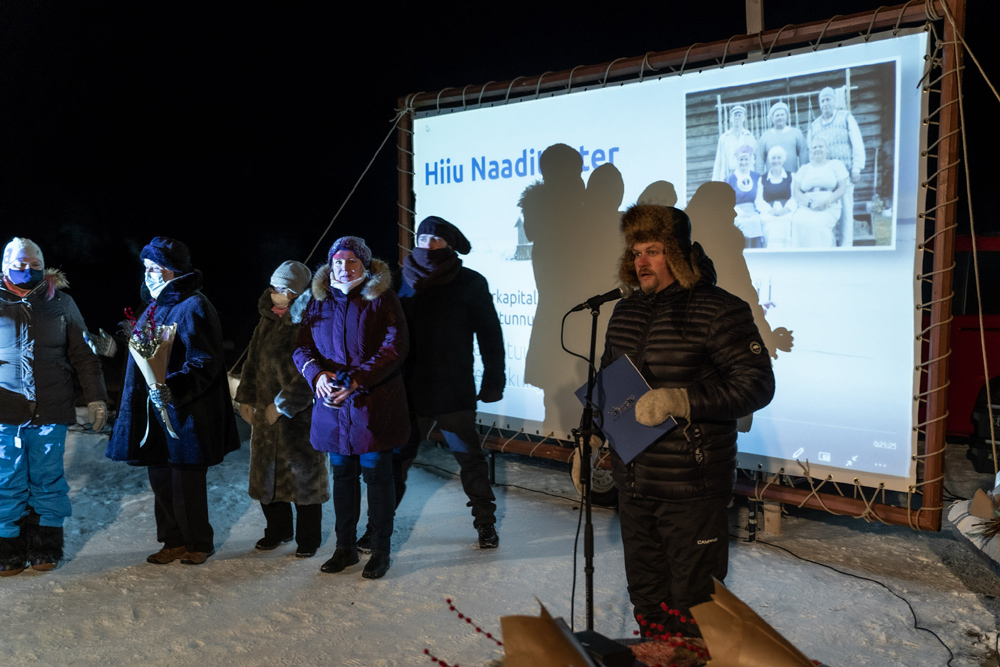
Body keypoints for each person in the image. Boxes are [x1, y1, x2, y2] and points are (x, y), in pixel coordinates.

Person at [601, 205, 775, 636]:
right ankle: (655, 656)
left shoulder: (720, 310)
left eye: (653, 251)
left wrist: (680, 400)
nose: (641, 262)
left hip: (692, 486)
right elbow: (609, 384)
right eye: (636, 252)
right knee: (647, 597)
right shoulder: (625, 311)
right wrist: (593, 435)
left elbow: (756, 386)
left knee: (697, 605)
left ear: (676, 254)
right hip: (633, 482)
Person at [107, 237, 240, 566]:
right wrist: (112, 348)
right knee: (161, 479)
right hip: (154, 412)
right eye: (146, 268)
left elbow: (205, 360)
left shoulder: (194, 305)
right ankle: (173, 540)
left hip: (186, 413)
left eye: (156, 268)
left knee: (185, 483)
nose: (148, 274)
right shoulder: (153, 305)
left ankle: (198, 542)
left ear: (174, 271)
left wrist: (175, 388)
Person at [293, 236, 408, 579]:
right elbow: (301, 347)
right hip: (333, 405)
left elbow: (394, 347)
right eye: (338, 261)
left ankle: (380, 551)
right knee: (343, 476)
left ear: (365, 265)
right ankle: (345, 548)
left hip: (372, 406)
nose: (344, 267)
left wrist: (357, 380)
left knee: (377, 477)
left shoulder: (381, 298)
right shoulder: (319, 301)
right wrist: (316, 375)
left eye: (351, 261)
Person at [389, 216, 504, 550]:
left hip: (452, 387)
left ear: (449, 245)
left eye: (435, 240)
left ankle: (486, 524)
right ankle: (379, 526)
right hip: (408, 388)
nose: (427, 245)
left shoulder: (470, 282)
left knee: (470, 459)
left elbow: (490, 335)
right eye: (422, 239)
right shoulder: (398, 279)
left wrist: (493, 381)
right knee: (397, 460)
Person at [0, 238, 108, 575]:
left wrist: (96, 397)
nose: (27, 269)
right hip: (4, 411)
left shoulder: (60, 302)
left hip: (51, 406)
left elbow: (85, 354)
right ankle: (8, 547)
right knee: (6, 478)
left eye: (34, 264)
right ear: (4, 265)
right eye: (19, 264)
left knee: (47, 478)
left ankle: (44, 546)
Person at [235, 261, 329, 558]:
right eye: (275, 286)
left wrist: (283, 404)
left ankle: (308, 538)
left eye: (284, 288)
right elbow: (252, 363)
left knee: (303, 481)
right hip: (264, 417)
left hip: (299, 420)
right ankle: (277, 530)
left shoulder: (311, 322)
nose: (277, 292)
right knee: (267, 478)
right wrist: (245, 398)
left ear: (298, 292)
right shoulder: (266, 321)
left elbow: (311, 373)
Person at [807, 86, 865, 247]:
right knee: (827, 213)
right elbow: (810, 151)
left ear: (834, 101)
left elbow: (857, 143)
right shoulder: (814, 126)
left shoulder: (846, 118)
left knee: (846, 212)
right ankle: (829, 246)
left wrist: (857, 168)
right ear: (819, 104)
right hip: (825, 178)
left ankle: (846, 246)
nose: (825, 103)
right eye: (822, 101)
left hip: (844, 176)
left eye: (828, 99)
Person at [790, 137, 849, 248]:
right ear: (810, 151)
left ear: (827, 149)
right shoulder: (804, 169)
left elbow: (842, 188)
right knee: (798, 221)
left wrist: (826, 203)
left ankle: (822, 256)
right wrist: (810, 203)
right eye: (814, 147)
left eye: (820, 146)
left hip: (829, 207)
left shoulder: (836, 165)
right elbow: (796, 192)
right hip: (806, 207)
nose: (817, 149)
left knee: (817, 223)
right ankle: (802, 257)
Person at [755, 145, 798, 249]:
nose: (776, 161)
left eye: (779, 158)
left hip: (786, 211)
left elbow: (795, 196)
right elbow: (759, 199)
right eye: (773, 158)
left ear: (783, 160)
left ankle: (787, 253)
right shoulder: (762, 179)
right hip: (769, 212)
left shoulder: (791, 176)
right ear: (770, 160)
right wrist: (769, 210)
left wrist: (787, 209)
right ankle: (771, 252)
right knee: (770, 223)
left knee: (787, 222)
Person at [724, 145, 764, 248]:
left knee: (755, 221)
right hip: (736, 211)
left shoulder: (756, 177)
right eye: (741, 159)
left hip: (753, 210)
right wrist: (739, 212)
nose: (744, 162)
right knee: (741, 223)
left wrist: (756, 211)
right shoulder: (729, 179)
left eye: (746, 159)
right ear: (737, 161)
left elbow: (760, 198)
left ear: (750, 161)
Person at [754, 101, 806, 175]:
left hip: (793, 177)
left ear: (786, 116)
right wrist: (760, 177)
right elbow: (760, 160)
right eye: (777, 115)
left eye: (782, 115)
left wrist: (803, 175)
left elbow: (803, 156)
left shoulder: (796, 133)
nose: (780, 117)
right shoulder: (765, 136)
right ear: (772, 118)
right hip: (772, 179)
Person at [711, 104, 756, 182]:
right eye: (735, 115)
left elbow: (754, 159)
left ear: (743, 118)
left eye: (739, 115)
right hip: (728, 175)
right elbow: (718, 160)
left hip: (745, 176)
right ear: (731, 119)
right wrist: (715, 180)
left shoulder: (749, 136)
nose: (737, 118)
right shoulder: (724, 138)